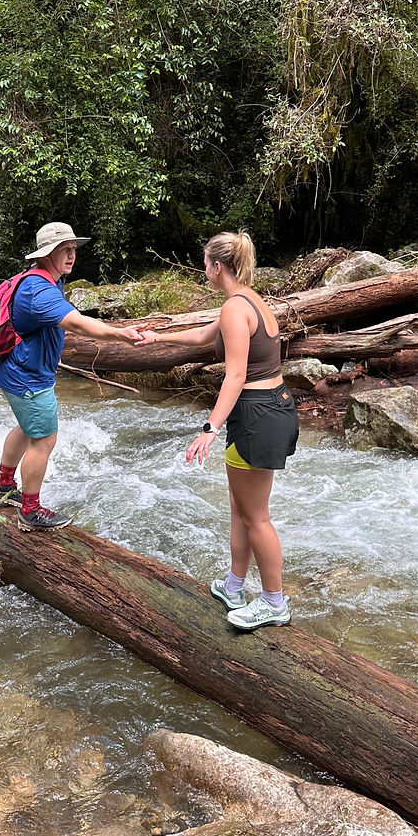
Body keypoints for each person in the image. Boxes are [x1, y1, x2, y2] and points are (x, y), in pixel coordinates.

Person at [141, 231, 298, 631]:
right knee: (241, 509)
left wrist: (209, 428)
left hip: (257, 415)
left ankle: (274, 603)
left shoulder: (234, 308)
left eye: (205, 264)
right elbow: (202, 335)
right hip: (272, 408)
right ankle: (234, 586)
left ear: (217, 267)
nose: (204, 270)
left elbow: (236, 375)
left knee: (256, 518)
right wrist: (158, 337)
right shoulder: (249, 301)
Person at [0, 221, 144, 529]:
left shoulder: (46, 279)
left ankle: (3, 484)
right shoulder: (38, 290)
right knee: (44, 440)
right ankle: (30, 511)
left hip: (19, 372)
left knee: (27, 428)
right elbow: (76, 323)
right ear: (46, 253)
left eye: (73, 249)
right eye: (64, 249)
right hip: (29, 378)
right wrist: (120, 334)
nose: (72, 255)